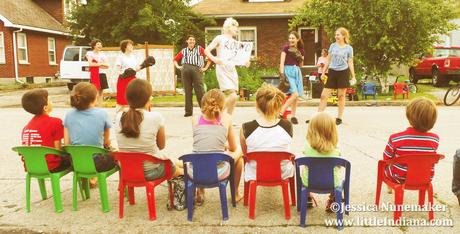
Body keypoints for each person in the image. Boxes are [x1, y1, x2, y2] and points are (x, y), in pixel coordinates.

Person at [115, 79, 184, 180]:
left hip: (128, 171)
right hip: (151, 172)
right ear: (148, 98)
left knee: (169, 160)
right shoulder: (155, 117)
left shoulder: (119, 116)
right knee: (173, 167)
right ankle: (187, 172)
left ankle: (183, 163)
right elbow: (161, 146)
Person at [190, 89, 244, 205]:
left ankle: (200, 190)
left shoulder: (195, 119)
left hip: (197, 171)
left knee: (203, 153)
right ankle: (235, 194)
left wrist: (221, 145)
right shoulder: (226, 119)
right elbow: (233, 148)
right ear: (223, 106)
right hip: (218, 172)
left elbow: (203, 141)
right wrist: (226, 146)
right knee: (239, 155)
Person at [64, 82, 116, 186]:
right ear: (94, 99)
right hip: (98, 162)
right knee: (115, 154)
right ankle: (95, 178)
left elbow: (67, 143)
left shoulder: (69, 115)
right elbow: (106, 142)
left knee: (82, 151)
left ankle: (88, 177)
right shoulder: (102, 113)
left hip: (76, 162)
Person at [240, 84, 294, 182]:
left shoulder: (245, 128)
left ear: (257, 105)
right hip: (283, 173)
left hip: (255, 173)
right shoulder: (288, 126)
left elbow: (246, 154)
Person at [382, 97, 439, 188]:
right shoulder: (434, 139)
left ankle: (391, 186)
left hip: (399, 178)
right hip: (425, 177)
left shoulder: (396, 138)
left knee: (385, 165)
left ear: (409, 117)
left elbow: (386, 158)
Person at [204, 17, 250, 116]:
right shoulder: (219, 38)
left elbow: (239, 58)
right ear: (229, 27)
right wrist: (215, 59)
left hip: (232, 70)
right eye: (235, 27)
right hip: (222, 69)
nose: (237, 29)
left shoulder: (235, 43)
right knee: (233, 96)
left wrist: (246, 62)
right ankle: (214, 114)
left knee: (234, 98)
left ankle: (228, 119)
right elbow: (206, 50)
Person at [20, 89, 71, 172]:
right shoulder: (55, 122)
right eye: (50, 100)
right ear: (45, 108)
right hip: (51, 166)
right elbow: (57, 150)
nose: (52, 102)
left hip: (31, 166)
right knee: (75, 158)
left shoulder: (26, 127)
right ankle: (87, 182)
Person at [299, 112, 341, 211]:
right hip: (331, 183)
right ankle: (333, 199)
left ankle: (307, 197)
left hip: (309, 182)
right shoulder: (336, 147)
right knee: (335, 173)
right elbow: (338, 165)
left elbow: (305, 156)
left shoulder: (307, 145)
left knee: (304, 172)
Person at [315, 27, 356, 125]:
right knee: (323, 96)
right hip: (332, 72)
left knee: (341, 96)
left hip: (343, 73)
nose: (336, 36)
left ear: (343, 36)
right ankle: (318, 117)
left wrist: (353, 76)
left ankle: (339, 118)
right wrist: (324, 72)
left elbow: (350, 62)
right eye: (335, 35)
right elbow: (328, 60)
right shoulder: (333, 46)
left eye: (338, 34)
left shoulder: (349, 48)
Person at [174, 35, 211, 117]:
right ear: (187, 41)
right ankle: (188, 111)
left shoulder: (200, 49)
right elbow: (175, 60)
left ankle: (205, 110)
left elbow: (209, 58)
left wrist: (205, 68)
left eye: (193, 40)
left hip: (196, 69)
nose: (192, 41)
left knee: (200, 90)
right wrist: (178, 67)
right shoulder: (184, 51)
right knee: (187, 91)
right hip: (185, 69)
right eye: (190, 40)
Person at [279, 31, 305, 125]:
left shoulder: (301, 50)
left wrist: (300, 57)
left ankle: (293, 116)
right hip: (288, 71)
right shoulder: (286, 48)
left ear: (297, 39)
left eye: (293, 38)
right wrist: (282, 75)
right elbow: (281, 62)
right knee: (295, 94)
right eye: (289, 38)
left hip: (296, 71)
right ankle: (281, 112)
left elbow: (301, 65)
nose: (291, 40)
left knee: (296, 97)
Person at [115, 40, 142, 110]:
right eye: (129, 45)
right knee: (122, 101)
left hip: (133, 79)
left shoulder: (133, 57)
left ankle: (132, 116)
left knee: (134, 99)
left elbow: (136, 69)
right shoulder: (121, 57)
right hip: (123, 79)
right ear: (125, 47)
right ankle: (117, 118)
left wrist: (144, 64)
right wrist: (122, 74)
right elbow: (117, 69)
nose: (132, 46)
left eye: (132, 45)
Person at [86, 39, 109, 106]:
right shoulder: (90, 53)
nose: (100, 45)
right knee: (94, 91)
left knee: (101, 92)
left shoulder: (103, 55)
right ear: (94, 46)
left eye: (100, 44)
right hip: (94, 75)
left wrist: (98, 64)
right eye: (98, 44)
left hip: (102, 74)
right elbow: (90, 64)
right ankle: (93, 105)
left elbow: (107, 65)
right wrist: (101, 64)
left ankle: (100, 106)